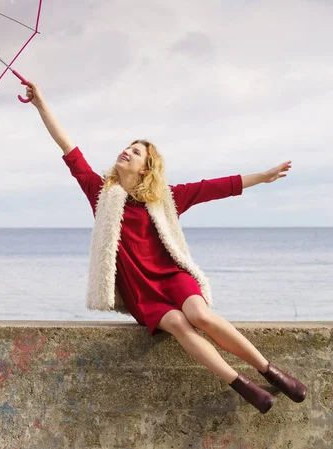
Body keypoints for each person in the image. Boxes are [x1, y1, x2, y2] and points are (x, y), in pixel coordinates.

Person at [24, 81, 307, 414]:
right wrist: (41, 103)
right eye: (126, 147)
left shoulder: (164, 199)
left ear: (146, 167)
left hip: (172, 276)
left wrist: (262, 176)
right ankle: (243, 386)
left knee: (199, 315)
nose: (126, 151)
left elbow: (212, 188)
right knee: (177, 325)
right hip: (141, 291)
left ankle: (270, 371)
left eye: (135, 150)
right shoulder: (100, 193)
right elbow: (69, 148)